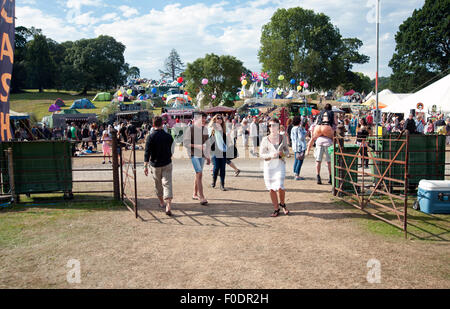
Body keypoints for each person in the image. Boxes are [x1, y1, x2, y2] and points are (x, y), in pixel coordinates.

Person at [144, 116, 174, 216]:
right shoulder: (168, 136)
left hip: (155, 164)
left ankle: (162, 202)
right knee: (168, 183)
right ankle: (168, 205)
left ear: (153, 125)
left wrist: (145, 165)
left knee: (158, 184)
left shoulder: (150, 137)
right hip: (167, 163)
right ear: (162, 124)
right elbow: (172, 149)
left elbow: (147, 152)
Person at [259, 119, 290, 217]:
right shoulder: (265, 139)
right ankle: (276, 208)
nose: (272, 127)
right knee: (271, 188)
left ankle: (283, 203)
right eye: (270, 125)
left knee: (280, 186)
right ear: (268, 127)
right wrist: (272, 155)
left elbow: (288, 153)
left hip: (280, 164)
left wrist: (283, 154)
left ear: (278, 126)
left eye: (275, 125)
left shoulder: (283, 137)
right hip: (269, 166)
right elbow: (261, 154)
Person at [183, 112, 211, 205]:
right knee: (199, 174)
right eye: (202, 118)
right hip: (193, 154)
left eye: (205, 118)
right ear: (197, 119)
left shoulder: (205, 129)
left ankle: (194, 193)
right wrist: (198, 146)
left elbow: (207, 144)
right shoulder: (190, 129)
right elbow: (186, 144)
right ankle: (202, 197)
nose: (204, 120)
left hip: (202, 155)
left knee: (198, 174)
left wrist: (208, 156)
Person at [208, 115, 231, 191]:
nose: (220, 119)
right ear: (215, 119)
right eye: (218, 118)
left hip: (223, 151)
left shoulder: (224, 129)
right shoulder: (212, 128)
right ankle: (213, 181)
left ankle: (222, 185)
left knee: (223, 168)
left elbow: (228, 138)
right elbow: (209, 137)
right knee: (216, 168)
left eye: (221, 118)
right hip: (215, 151)